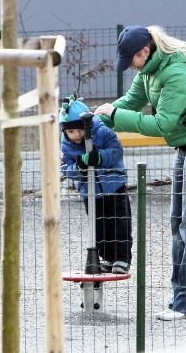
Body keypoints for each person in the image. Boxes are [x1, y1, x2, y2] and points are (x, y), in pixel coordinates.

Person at [94, 25, 186, 320]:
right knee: (177, 223)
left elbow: (162, 124)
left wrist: (115, 116)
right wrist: (96, 119)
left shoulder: (177, 72)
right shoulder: (149, 71)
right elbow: (129, 103)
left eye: (132, 59)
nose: (130, 65)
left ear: (145, 51)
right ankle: (181, 299)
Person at [60, 95, 133, 274]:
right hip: (90, 192)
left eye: (79, 130)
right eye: (71, 132)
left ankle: (122, 259)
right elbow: (65, 168)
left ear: (88, 125)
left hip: (113, 186)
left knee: (119, 222)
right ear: (64, 131)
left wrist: (99, 158)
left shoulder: (103, 132)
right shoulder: (66, 146)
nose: (76, 135)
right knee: (99, 226)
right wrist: (80, 166)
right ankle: (106, 257)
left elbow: (116, 152)